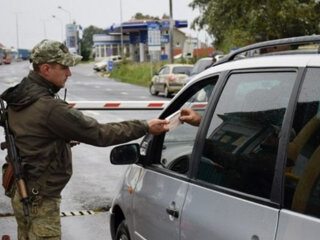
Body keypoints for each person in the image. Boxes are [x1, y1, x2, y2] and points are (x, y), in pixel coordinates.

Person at [1, 39, 169, 239]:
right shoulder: (49, 108)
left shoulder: (19, 97)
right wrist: (145, 126)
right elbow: (100, 133)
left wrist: (60, 141)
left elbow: (30, 137)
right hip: (40, 199)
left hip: (20, 191)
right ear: (45, 69)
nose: (69, 73)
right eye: (64, 67)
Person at [179, 108, 294, 198]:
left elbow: (235, 161)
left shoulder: (270, 159)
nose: (269, 135)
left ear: (283, 142)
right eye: (271, 131)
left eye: (275, 134)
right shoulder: (265, 153)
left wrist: (206, 141)